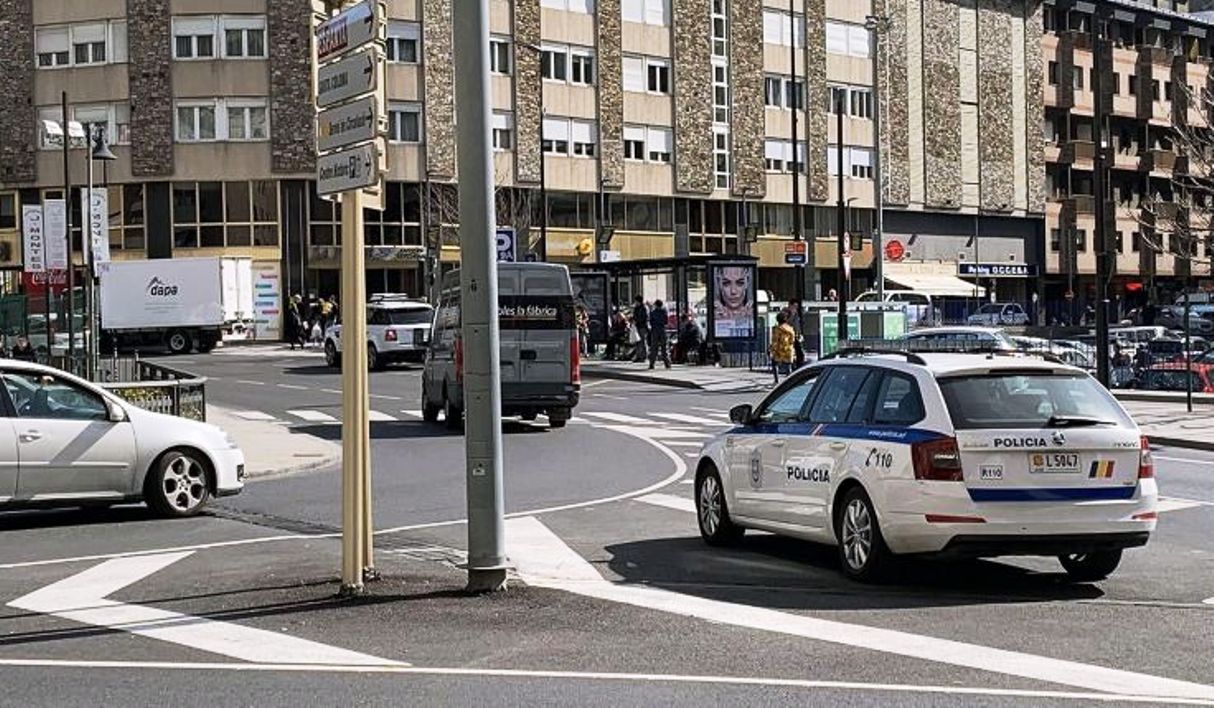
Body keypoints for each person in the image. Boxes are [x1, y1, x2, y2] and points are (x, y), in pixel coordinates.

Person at [713, 266, 754, 339]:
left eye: (740, 283)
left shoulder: (752, 315)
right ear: (719, 284)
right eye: (726, 283)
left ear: (747, 283)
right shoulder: (715, 316)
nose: (733, 291)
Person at [769, 311, 796, 383]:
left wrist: (772, 350)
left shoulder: (777, 329)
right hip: (788, 349)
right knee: (788, 366)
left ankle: (776, 381)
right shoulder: (790, 328)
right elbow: (792, 340)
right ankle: (789, 381)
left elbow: (775, 341)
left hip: (779, 350)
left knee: (775, 364)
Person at [647, 299, 671, 369]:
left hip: (654, 330)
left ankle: (652, 363)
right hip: (662, 330)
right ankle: (667, 363)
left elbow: (651, 322)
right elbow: (666, 321)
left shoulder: (653, 312)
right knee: (664, 348)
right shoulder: (664, 312)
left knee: (654, 348)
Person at [786, 299, 804, 367]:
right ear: (790, 305)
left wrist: (800, 334)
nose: (795, 308)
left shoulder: (796, 314)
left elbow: (798, 325)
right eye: (794, 306)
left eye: (796, 307)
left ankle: (799, 366)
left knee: (800, 352)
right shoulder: (786, 313)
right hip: (789, 336)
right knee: (790, 353)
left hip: (796, 335)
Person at [631, 295, 649, 363]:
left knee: (642, 341)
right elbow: (634, 316)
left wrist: (637, 320)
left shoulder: (644, 308)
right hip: (637, 326)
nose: (635, 302)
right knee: (637, 342)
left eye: (636, 301)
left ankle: (644, 356)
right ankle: (638, 356)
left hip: (642, 326)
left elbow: (645, 317)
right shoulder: (636, 308)